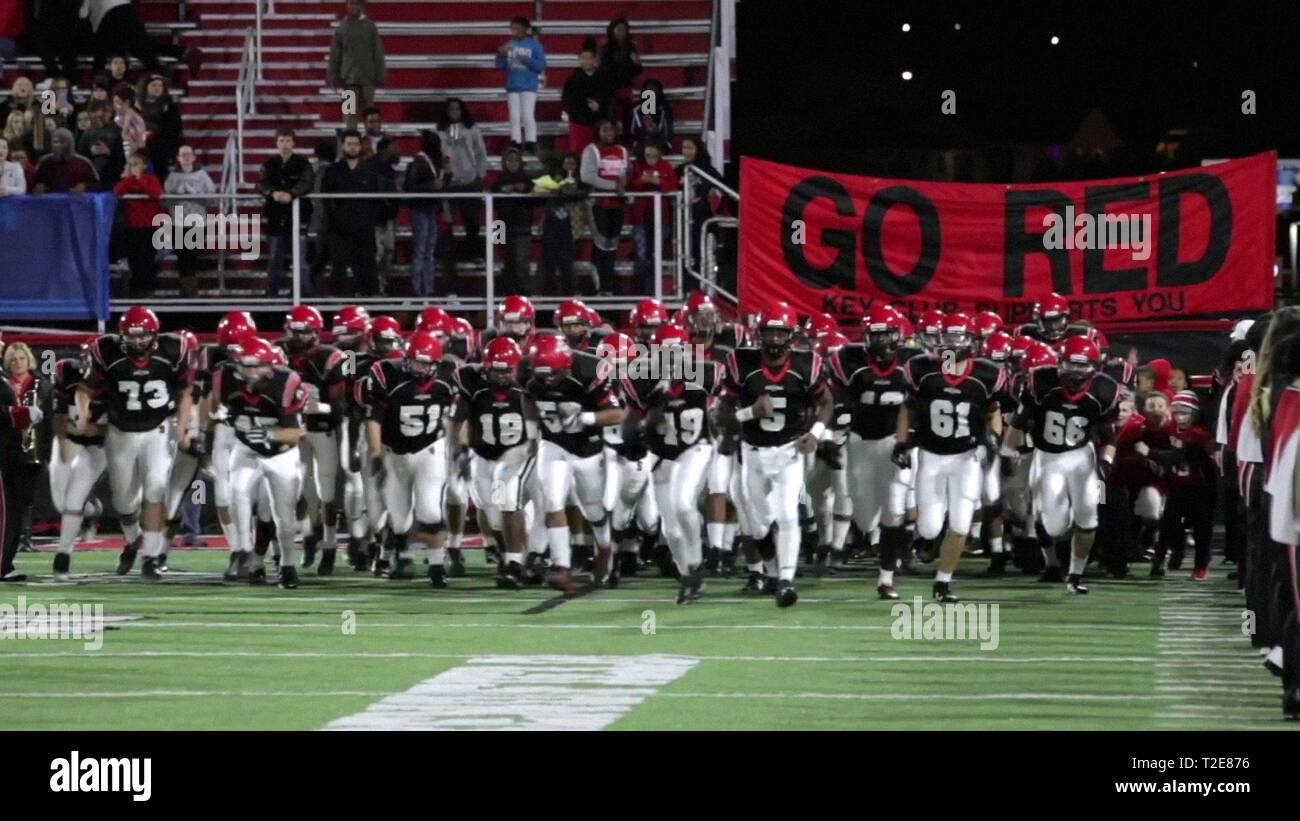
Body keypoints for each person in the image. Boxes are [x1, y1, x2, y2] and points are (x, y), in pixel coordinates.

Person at [719, 302, 833, 606]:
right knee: (757, 525)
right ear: (759, 333)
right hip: (753, 452)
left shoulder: (807, 364)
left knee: (786, 515)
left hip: (789, 451)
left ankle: (785, 580)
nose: (774, 339)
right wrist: (750, 412)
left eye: (780, 332)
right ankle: (771, 572)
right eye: (769, 331)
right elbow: (722, 415)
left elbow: (827, 402)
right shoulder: (740, 362)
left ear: (791, 336)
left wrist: (816, 434)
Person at [894, 313, 1009, 602]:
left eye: (959, 337)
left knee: (960, 522)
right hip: (930, 456)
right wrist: (902, 442)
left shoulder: (985, 374)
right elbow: (908, 407)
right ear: (938, 340)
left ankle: (943, 581)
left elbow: (994, 411)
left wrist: (994, 440)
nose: (953, 343)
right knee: (929, 526)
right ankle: (926, 542)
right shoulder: (922, 370)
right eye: (948, 337)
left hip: (966, 457)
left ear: (971, 341)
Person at [78, 307, 197, 581]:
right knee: (123, 501)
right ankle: (133, 540)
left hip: (158, 429)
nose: (137, 343)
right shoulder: (107, 351)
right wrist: (83, 415)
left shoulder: (173, 349)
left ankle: (152, 556)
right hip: (121, 432)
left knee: (156, 488)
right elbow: (85, 389)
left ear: (154, 334)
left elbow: (184, 392)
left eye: (143, 337)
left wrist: (182, 426)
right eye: (131, 337)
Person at [362, 331, 458, 586]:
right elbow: (373, 418)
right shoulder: (375, 368)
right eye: (415, 361)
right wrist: (375, 455)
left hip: (430, 450)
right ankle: (398, 556)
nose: (419, 367)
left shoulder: (449, 376)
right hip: (395, 453)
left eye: (425, 362)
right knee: (398, 517)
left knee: (429, 509)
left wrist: (462, 447)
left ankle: (437, 565)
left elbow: (460, 414)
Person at [216, 336, 308, 588]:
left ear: (270, 366)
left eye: (257, 366)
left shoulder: (285, 383)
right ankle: (244, 550)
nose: (251, 372)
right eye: (246, 365)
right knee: (236, 491)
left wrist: (271, 434)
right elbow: (220, 406)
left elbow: (297, 433)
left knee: (284, 516)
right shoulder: (225, 378)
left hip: (282, 453)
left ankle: (287, 565)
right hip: (247, 448)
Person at [49, 339, 108, 580]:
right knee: (64, 503)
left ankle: (63, 556)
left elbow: (126, 425)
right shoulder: (68, 371)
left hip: (105, 445)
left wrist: (97, 430)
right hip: (76, 441)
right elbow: (60, 415)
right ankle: (89, 511)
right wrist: (65, 442)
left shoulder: (116, 379)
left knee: (127, 501)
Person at [320, 129, 381, 295]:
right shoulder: (333, 171)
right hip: (339, 229)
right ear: (343, 147)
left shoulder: (370, 171)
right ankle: (337, 307)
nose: (353, 148)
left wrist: (370, 219)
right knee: (338, 268)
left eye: (356, 144)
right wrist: (334, 220)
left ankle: (370, 305)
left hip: (364, 228)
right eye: (349, 144)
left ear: (361, 146)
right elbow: (326, 199)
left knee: (367, 268)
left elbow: (376, 199)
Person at [436, 98, 488, 270]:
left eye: (458, 109)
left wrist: (480, 176)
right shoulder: (439, 131)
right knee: (446, 224)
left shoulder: (472, 129)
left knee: (472, 222)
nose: (455, 112)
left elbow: (481, 152)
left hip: (469, 181)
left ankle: (475, 254)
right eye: (451, 109)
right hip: (449, 182)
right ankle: (446, 257)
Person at [4, 342, 45, 555]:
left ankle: (25, 536)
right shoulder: (4, 383)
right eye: (13, 359)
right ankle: (13, 539)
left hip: (33, 445)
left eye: (21, 358)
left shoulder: (40, 383)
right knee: (11, 497)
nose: (18, 363)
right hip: (8, 446)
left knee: (26, 495)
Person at [580, 119, 628, 294]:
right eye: (605, 130)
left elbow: (624, 175)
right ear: (598, 132)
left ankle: (608, 284)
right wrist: (613, 187)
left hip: (617, 206)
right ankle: (602, 286)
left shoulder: (622, 151)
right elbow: (587, 177)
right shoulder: (591, 150)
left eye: (611, 130)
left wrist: (623, 188)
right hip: (598, 205)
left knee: (612, 246)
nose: (609, 133)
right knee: (601, 245)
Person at [163, 145, 215, 297]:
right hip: (179, 221)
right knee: (182, 255)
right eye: (182, 154)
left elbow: (211, 196)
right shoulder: (172, 176)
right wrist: (176, 195)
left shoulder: (202, 175)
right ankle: (186, 289)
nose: (185, 157)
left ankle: (190, 290)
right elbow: (165, 198)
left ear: (193, 157)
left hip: (197, 221)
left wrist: (197, 194)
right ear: (178, 158)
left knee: (191, 254)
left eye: (188, 154)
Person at [627, 142, 678, 295]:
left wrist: (658, 182)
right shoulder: (637, 166)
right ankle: (640, 293)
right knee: (642, 255)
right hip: (641, 217)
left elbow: (673, 186)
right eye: (648, 156)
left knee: (657, 255)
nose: (651, 159)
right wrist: (643, 180)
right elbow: (630, 186)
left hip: (661, 217)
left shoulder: (666, 166)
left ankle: (654, 292)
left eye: (654, 156)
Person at [328, 0, 386, 132]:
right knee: (349, 114)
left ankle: (370, 139)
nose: (353, 7)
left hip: (368, 79)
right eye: (351, 4)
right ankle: (350, 139)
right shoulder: (341, 28)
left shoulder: (370, 27)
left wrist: (381, 74)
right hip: (348, 80)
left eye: (356, 4)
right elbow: (335, 54)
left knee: (370, 113)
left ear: (362, 6)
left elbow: (378, 51)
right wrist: (333, 76)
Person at [403, 129, 449, 297]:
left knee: (429, 252)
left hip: (431, 211)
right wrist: (431, 186)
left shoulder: (432, 163)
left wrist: (447, 174)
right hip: (420, 212)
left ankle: (428, 289)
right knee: (421, 251)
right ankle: (417, 288)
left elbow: (440, 187)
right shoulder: (419, 162)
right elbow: (409, 188)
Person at [113, 152, 163, 295]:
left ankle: (148, 288)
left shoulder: (151, 179)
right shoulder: (128, 181)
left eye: (136, 164)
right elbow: (117, 191)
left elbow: (156, 193)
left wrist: (140, 179)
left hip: (149, 226)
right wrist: (130, 178)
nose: (133, 166)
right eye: (131, 164)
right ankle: (136, 289)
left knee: (147, 258)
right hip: (132, 226)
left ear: (144, 166)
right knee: (134, 259)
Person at [533, 152, 583, 294]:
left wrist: (563, 189)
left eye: (572, 164)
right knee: (548, 269)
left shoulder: (580, 182)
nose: (569, 167)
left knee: (568, 269)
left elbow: (579, 192)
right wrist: (556, 187)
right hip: (551, 231)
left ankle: (570, 299)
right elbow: (536, 190)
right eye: (566, 163)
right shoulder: (553, 180)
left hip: (570, 232)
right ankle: (548, 299)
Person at [495, 16, 546, 154]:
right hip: (513, 85)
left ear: (526, 30)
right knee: (514, 116)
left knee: (528, 115)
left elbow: (541, 65)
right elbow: (500, 66)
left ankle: (530, 141)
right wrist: (500, 54)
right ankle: (515, 141)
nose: (514, 31)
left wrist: (526, 60)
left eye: (517, 28)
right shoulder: (509, 44)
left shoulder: (535, 45)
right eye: (512, 29)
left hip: (529, 85)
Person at [490, 147, 536, 294]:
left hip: (522, 227)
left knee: (521, 263)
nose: (513, 163)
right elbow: (492, 202)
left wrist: (525, 190)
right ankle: (506, 292)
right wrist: (503, 191)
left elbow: (537, 199)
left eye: (516, 160)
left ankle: (524, 293)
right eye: (510, 160)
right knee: (505, 261)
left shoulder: (528, 181)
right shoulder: (498, 182)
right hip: (500, 226)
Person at [561, 37, 612, 156]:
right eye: (583, 58)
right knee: (578, 154)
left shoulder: (603, 78)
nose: (586, 61)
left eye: (589, 58)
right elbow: (567, 100)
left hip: (598, 123)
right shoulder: (573, 79)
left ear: (595, 60)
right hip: (579, 123)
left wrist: (599, 103)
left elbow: (609, 96)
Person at [599, 17, 642, 142]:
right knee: (612, 118)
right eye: (618, 29)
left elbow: (638, 71)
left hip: (626, 88)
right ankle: (612, 142)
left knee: (627, 118)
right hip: (610, 89)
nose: (621, 33)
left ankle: (626, 143)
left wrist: (637, 63)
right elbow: (602, 70)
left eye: (623, 30)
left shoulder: (631, 47)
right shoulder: (606, 48)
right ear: (612, 31)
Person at [368, 136, 399, 294]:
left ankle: (382, 285)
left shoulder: (390, 170)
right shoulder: (370, 167)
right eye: (393, 147)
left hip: (388, 218)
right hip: (374, 218)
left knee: (389, 251)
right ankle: (372, 286)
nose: (397, 151)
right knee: (377, 253)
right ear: (384, 150)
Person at [141, 74, 183, 183]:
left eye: (160, 86)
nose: (157, 88)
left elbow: (175, 128)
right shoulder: (137, 103)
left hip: (160, 146)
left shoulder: (169, 104)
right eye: (154, 85)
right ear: (146, 86)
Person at [629, 78, 674, 153]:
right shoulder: (636, 110)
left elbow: (668, 133)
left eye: (654, 91)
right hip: (641, 145)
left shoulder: (666, 109)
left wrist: (656, 132)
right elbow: (632, 133)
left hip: (659, 145)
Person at [111, 83, 147, 166]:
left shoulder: (136, 120)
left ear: (126, 102)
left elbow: (141, 143)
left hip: (130, 157)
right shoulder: (117, 116)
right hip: (116, 155)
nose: (114, 106)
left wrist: (127, 122)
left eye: (117, 102)